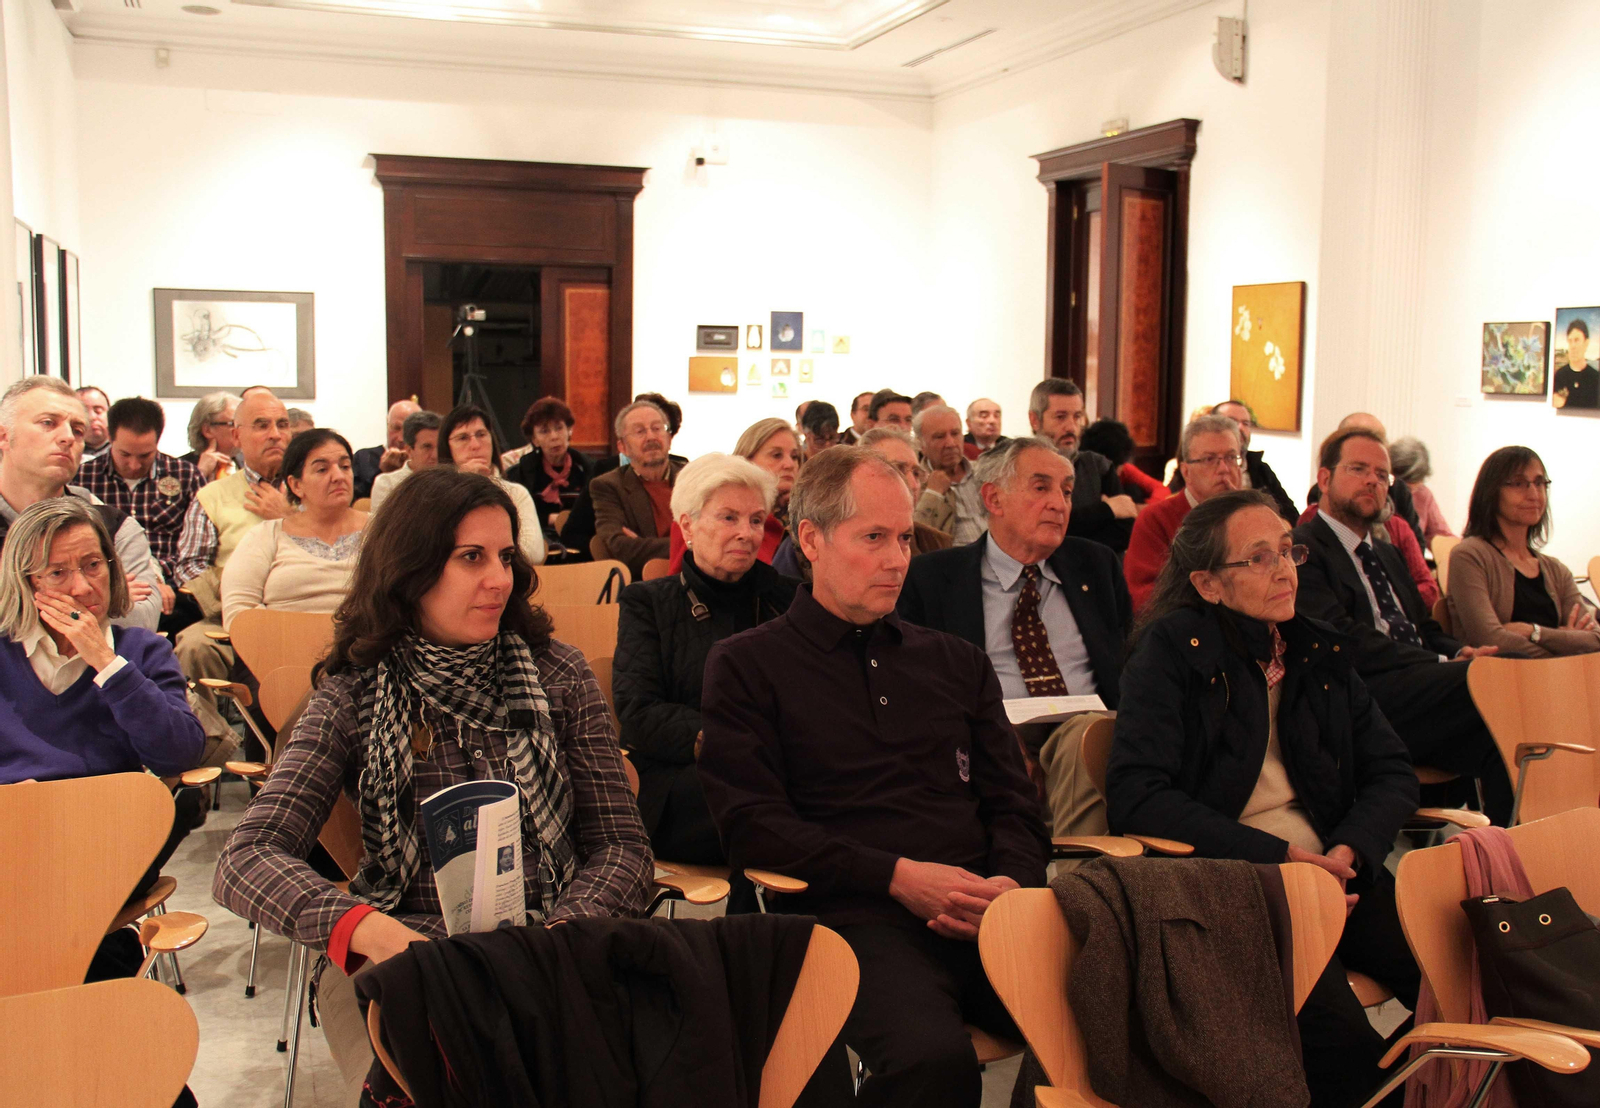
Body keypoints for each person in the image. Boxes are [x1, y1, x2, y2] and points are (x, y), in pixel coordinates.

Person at [213, 466, 652, 1104]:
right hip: (405, 949)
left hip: (557, 942)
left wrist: (558, 937)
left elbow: (622, 846)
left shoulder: (558, 675)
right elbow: (246, 858)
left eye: (505, 556)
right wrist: (372, 931)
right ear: (409, 570)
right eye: (470, 558)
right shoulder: (354, 692)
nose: (499, 578)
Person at [698, 446, 1048, 1108]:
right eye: (874, 538)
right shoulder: (748, 665)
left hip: (986, 907)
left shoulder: (954, 661)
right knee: (933, 1060)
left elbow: (1015, 804)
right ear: (811, 540)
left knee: (1118, 1016)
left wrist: (1012, 888)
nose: (897, 559)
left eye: (905, 537)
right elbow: (752, 828)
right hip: (850, 913)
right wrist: (899, 877)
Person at [1107, 489, 1421, 1108]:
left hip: (1339, 868)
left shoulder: (1316, 647)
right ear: (1208, 583)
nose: (1283, 569)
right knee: (1343, 1049)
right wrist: (1284, 859)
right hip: (1241, 885)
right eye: (1257, 558)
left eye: (1287, 550)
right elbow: (1138, 797)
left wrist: (1352, 848)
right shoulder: (1171, 653)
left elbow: (1393, 770)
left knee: (1472, 979)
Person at [0, 497, 209, 1026]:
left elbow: (179, 751)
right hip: (13, 857)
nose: (81, 587)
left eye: (94, 566)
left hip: (101, 857)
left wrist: (106, 663)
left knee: (81, 962)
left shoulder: (138, 652)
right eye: (58, 572)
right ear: (25, 582)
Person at [897, 436, 1131, 836]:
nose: (1059, 504)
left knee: (1085, 737)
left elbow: (1128, 668)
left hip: (1093, 731)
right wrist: (993, 741)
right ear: (994, 499)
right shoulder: (933, 579)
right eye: (1041, 488)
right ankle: (1083, 882)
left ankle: (1074, 880)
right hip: (994, 737)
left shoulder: (1095, 566)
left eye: (1067, 491)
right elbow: (920, 690)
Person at [1292, 427, 1512, 824]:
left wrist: (1460, 651)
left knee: (1506, 737)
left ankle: (1511, 856)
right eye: (1358, 469)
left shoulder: (1386, 554)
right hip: (1361, 696)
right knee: (1491, 684)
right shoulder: (1305, 549)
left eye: (1381, 474)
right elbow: (1344, 640)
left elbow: (1425, 628)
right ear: (1324, 479)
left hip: (1419, 694)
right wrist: (1445, 663)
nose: (1372, 481)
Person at [615, 454, 797, 866]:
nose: (746, 534)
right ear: (687, 526)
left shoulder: (789, 598)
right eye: (729, 518)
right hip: (685, 778)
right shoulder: (648, 603)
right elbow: (637, 711)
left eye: (755, 520)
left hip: (781, 768)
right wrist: (726, 741)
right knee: (752, 798)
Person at [170, 388, 294, 740]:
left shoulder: (311, 489)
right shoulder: (213, 495)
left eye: (282, 424)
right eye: (262, 425)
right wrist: (240, 594)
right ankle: (206, 752)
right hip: (228, 619)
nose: (275, 434)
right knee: (193, 648)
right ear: (237, 436)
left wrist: (287, 517)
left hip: (300, 614)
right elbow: (189, 566)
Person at [0, 377, 164, 632]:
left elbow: (140, 625)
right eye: (48, 423)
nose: (68, 437)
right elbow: (120, 615)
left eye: (77, 430)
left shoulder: (114, 528)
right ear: (4, 436)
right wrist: (102, 601)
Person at [1447, 446, 1600, 656]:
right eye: (1518, 483)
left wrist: (1534, 632)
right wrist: (1565, 647)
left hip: (1560, 682)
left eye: (1539, 483)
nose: (1533, 494)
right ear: (1492, 492)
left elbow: (1595, 640)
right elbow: (1490, 639)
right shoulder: (1469, 556)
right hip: (1497, 680)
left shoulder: (1556, 569)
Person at [75, 397, 206, 634]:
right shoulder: (84, 478)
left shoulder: (185, 475)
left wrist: (160, 580)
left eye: (145, 455)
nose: (134, 465)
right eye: (124, 454)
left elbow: (194, 546)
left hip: (174, 584)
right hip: (110, 578)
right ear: (110, 439)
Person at [221, 428, 368, 630]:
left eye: (345, 466)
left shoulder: (383, 530)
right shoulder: (266, 536)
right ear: (296, 485)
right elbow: (239, 613)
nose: (338, 476)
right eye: (322, 470)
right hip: (284, 652)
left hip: (369, 651)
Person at [771, 428, 953, 580]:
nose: (911, 484)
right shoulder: (799, 547)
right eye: (895, 470)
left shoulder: (936, 544)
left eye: (915, 472)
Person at [1124, 414, 1244, 610]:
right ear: (1186, 472)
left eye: (1231, 458)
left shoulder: (1250, 517)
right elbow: (1144, 598)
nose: (1224, 469)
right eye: (1210, 459)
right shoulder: (1156, 519)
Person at [668, 418, 798, 573]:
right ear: (746, 461)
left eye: (795, 456)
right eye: (777, 455)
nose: (790, 464)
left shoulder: (798, 520)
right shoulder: (701, 511)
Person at [1026, 378, 1136, 553]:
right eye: (1060, 417)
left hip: (1097, 570)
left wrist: (1073, 531)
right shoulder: (1021, 467)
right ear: (1034, 420)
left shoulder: (1099, 466)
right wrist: (1106, 510)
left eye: (1077, 416)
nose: (1071, 427)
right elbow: (1033, 529)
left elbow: (1124, 533)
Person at [434, 404, 546, 566]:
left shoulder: (516, 493)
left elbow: (534, 553)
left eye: (481, 434)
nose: (475, 445)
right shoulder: (434, 495)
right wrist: (462, 483)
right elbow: (431, 550)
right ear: (447, 447)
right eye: (463, 438)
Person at [589, 400, 683, 576]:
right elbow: (619, 548)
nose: (650, 437)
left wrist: (643, 544)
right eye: (640, 431)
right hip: (644, 586)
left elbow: (715, 537)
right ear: (622, 447)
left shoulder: (692, 476)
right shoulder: (608, 486)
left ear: (669, 438)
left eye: (657, 428)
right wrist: (688, 544)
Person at [1169, 401, 1297, 522]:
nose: (1240, 428)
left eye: (1246, 423)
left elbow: (1291, 516)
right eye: (1210, 459)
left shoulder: (1260, 468)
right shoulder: (1190, 472)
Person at [504, 397, 592, 534]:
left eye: (559, 428)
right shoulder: (521, 473)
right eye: (544, 431)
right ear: (534, 439)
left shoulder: (587, 469)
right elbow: (514, 516)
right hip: (538, 542)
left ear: (569, 430)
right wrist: (549, 519)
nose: (554, 436)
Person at [912, 405, 984, 545]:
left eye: (955, 433)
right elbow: (915, 539)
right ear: (921, 445)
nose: (950, 443)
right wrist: (933, 494)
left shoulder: (985, 473)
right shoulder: (914, 483)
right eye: (939, 437)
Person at [1079, 418, 1169, 505]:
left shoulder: (1124, 469)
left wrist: (1140, 508)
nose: (1122, 468)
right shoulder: (1081, 476)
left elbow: (1161, 489)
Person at [367, 409, 440, 515]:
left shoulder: (453, 481)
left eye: (439, 446)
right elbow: (384, 529)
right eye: (427, 447)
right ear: (409, 450)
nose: (435, 455)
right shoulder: (387, 484)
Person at [351, 399, 420, 501]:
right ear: (387, 425)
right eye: (396, 428)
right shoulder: (364, 457)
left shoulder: (427, 460)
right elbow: (355, 502)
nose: (401, 438)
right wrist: (383, 473)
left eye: (409, 431)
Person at [1388, 437, 1453, 547]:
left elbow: (1441, 537)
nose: (1409, 495)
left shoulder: (1423, 494)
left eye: (1415, 488)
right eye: (1407, 488)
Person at [181, 391, 242, 482]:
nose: (242, 430)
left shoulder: (252, 464)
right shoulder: (179, 468)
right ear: (207, 430)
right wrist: (200, 473)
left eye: (243, 424)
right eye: (233, 424)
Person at [1553, 318, 1600, 410]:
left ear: (1586, 343)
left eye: (1577, 340)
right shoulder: (1559, 375)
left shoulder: (1596, 377)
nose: (1573, 346)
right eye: (1570, 341)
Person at [76, 387, 111, 462]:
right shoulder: (66, 452)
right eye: (84, 412)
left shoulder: (124, 449)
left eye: (98, 411)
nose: (92, 417)